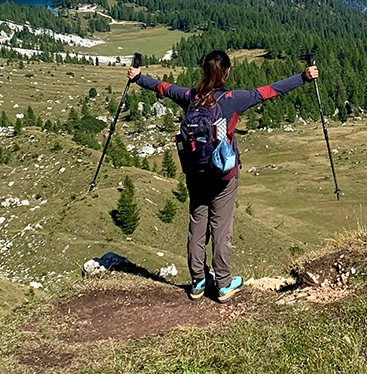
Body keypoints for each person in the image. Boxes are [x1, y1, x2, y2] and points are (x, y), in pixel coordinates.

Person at [128, 50, 318, 301]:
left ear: (204, 72)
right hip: (223, 176)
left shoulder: (190, 96)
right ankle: (224, 284)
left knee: (197, 224)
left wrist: (139, 77)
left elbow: (163, 87)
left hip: (195, 172)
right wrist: (303, 77)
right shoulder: (233, 99)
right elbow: (270, 90)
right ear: (227, 72)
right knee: (221, 227)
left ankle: (197, 282)